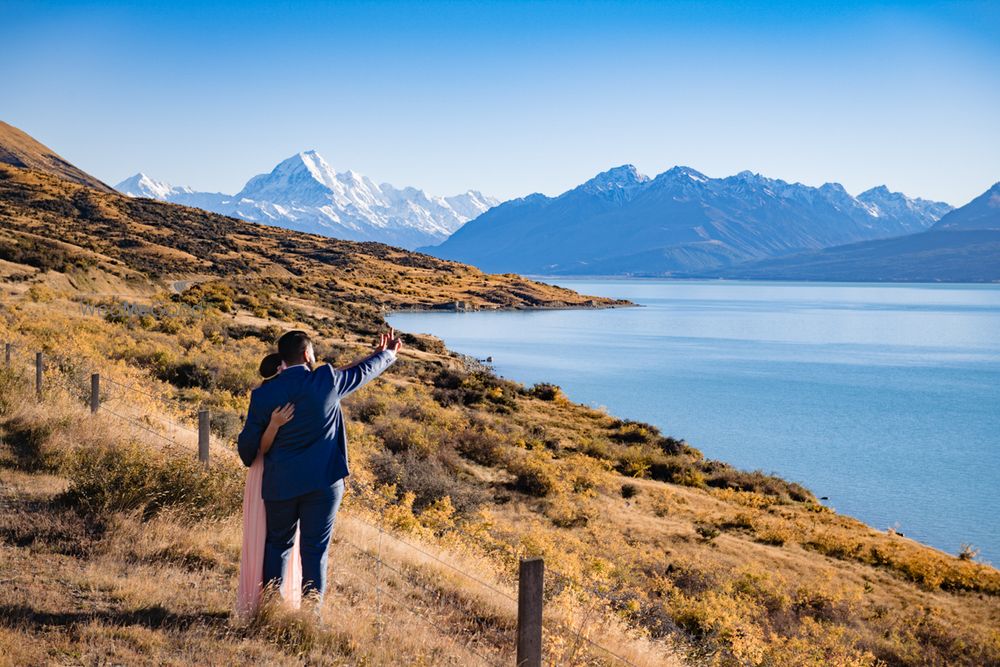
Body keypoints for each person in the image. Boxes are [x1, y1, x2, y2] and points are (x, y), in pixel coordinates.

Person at [237, 328, 402, 607]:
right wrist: (386, 355)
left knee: (278, 546)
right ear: (307, 354)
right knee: (315, 551)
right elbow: (362, 372)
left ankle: (271, 610)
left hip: (281, 485)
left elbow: (246, 451)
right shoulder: (326, 381)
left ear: (283, 359)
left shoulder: (264, 394)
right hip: (323, 484)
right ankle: (312, 616)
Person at [235, 353, 301, 619]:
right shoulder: (271, 398)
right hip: (266, 471)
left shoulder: (265, 393)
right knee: (271, 537)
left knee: (270, 537)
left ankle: (271, 601)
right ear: (281, 368)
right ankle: (265, 604)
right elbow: (263, 446)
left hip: (266, 471)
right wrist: (274, 425)